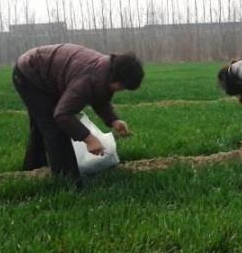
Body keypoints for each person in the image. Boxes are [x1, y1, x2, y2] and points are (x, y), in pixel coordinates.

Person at [12, 43, 144, 185]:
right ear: (116, 78)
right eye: (122, 86)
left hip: (42, 72)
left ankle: (33, 168)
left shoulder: (106, 70)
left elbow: (100, 98)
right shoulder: (89, 79)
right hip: (29, 74)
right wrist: (88, 138)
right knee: (55, 128)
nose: (121, 90)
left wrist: (113, 120)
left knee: (43, 124)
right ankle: (68, 182)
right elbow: (62, 115)